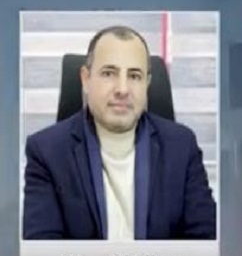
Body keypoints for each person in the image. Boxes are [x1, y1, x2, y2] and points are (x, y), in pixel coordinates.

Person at [22, 26, 217, 240]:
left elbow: (207, 245)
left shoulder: (181, 147)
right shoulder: (47, 152)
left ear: (146, 84)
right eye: (109, 73)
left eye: (134, 76)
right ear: (86, 79)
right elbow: (44, 254)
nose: (122, 89)